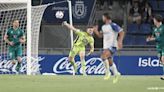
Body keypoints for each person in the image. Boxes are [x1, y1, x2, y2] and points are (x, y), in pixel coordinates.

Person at [93, 13, 124, 83]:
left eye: (103, 17)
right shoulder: (103, 27)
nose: (102, 18)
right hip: (105, 46)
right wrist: (95, 31)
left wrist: (120, 42)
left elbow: (122, 32)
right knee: (110, 61)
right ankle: (116, 74)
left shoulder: (113, 25)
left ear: (105, 17)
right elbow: (100, 36)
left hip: (112, 45)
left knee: (103, 56)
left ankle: (107, 72)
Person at [146, 14, 164, 80]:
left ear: (157, 20)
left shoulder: (163, 28)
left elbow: (160, 38)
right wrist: (150, 38)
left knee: (163, 59)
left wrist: (153, 39)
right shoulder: (155, 29)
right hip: (158, 46)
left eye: (154, 19)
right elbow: (154, 36)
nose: (153, 20)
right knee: (162, 61)